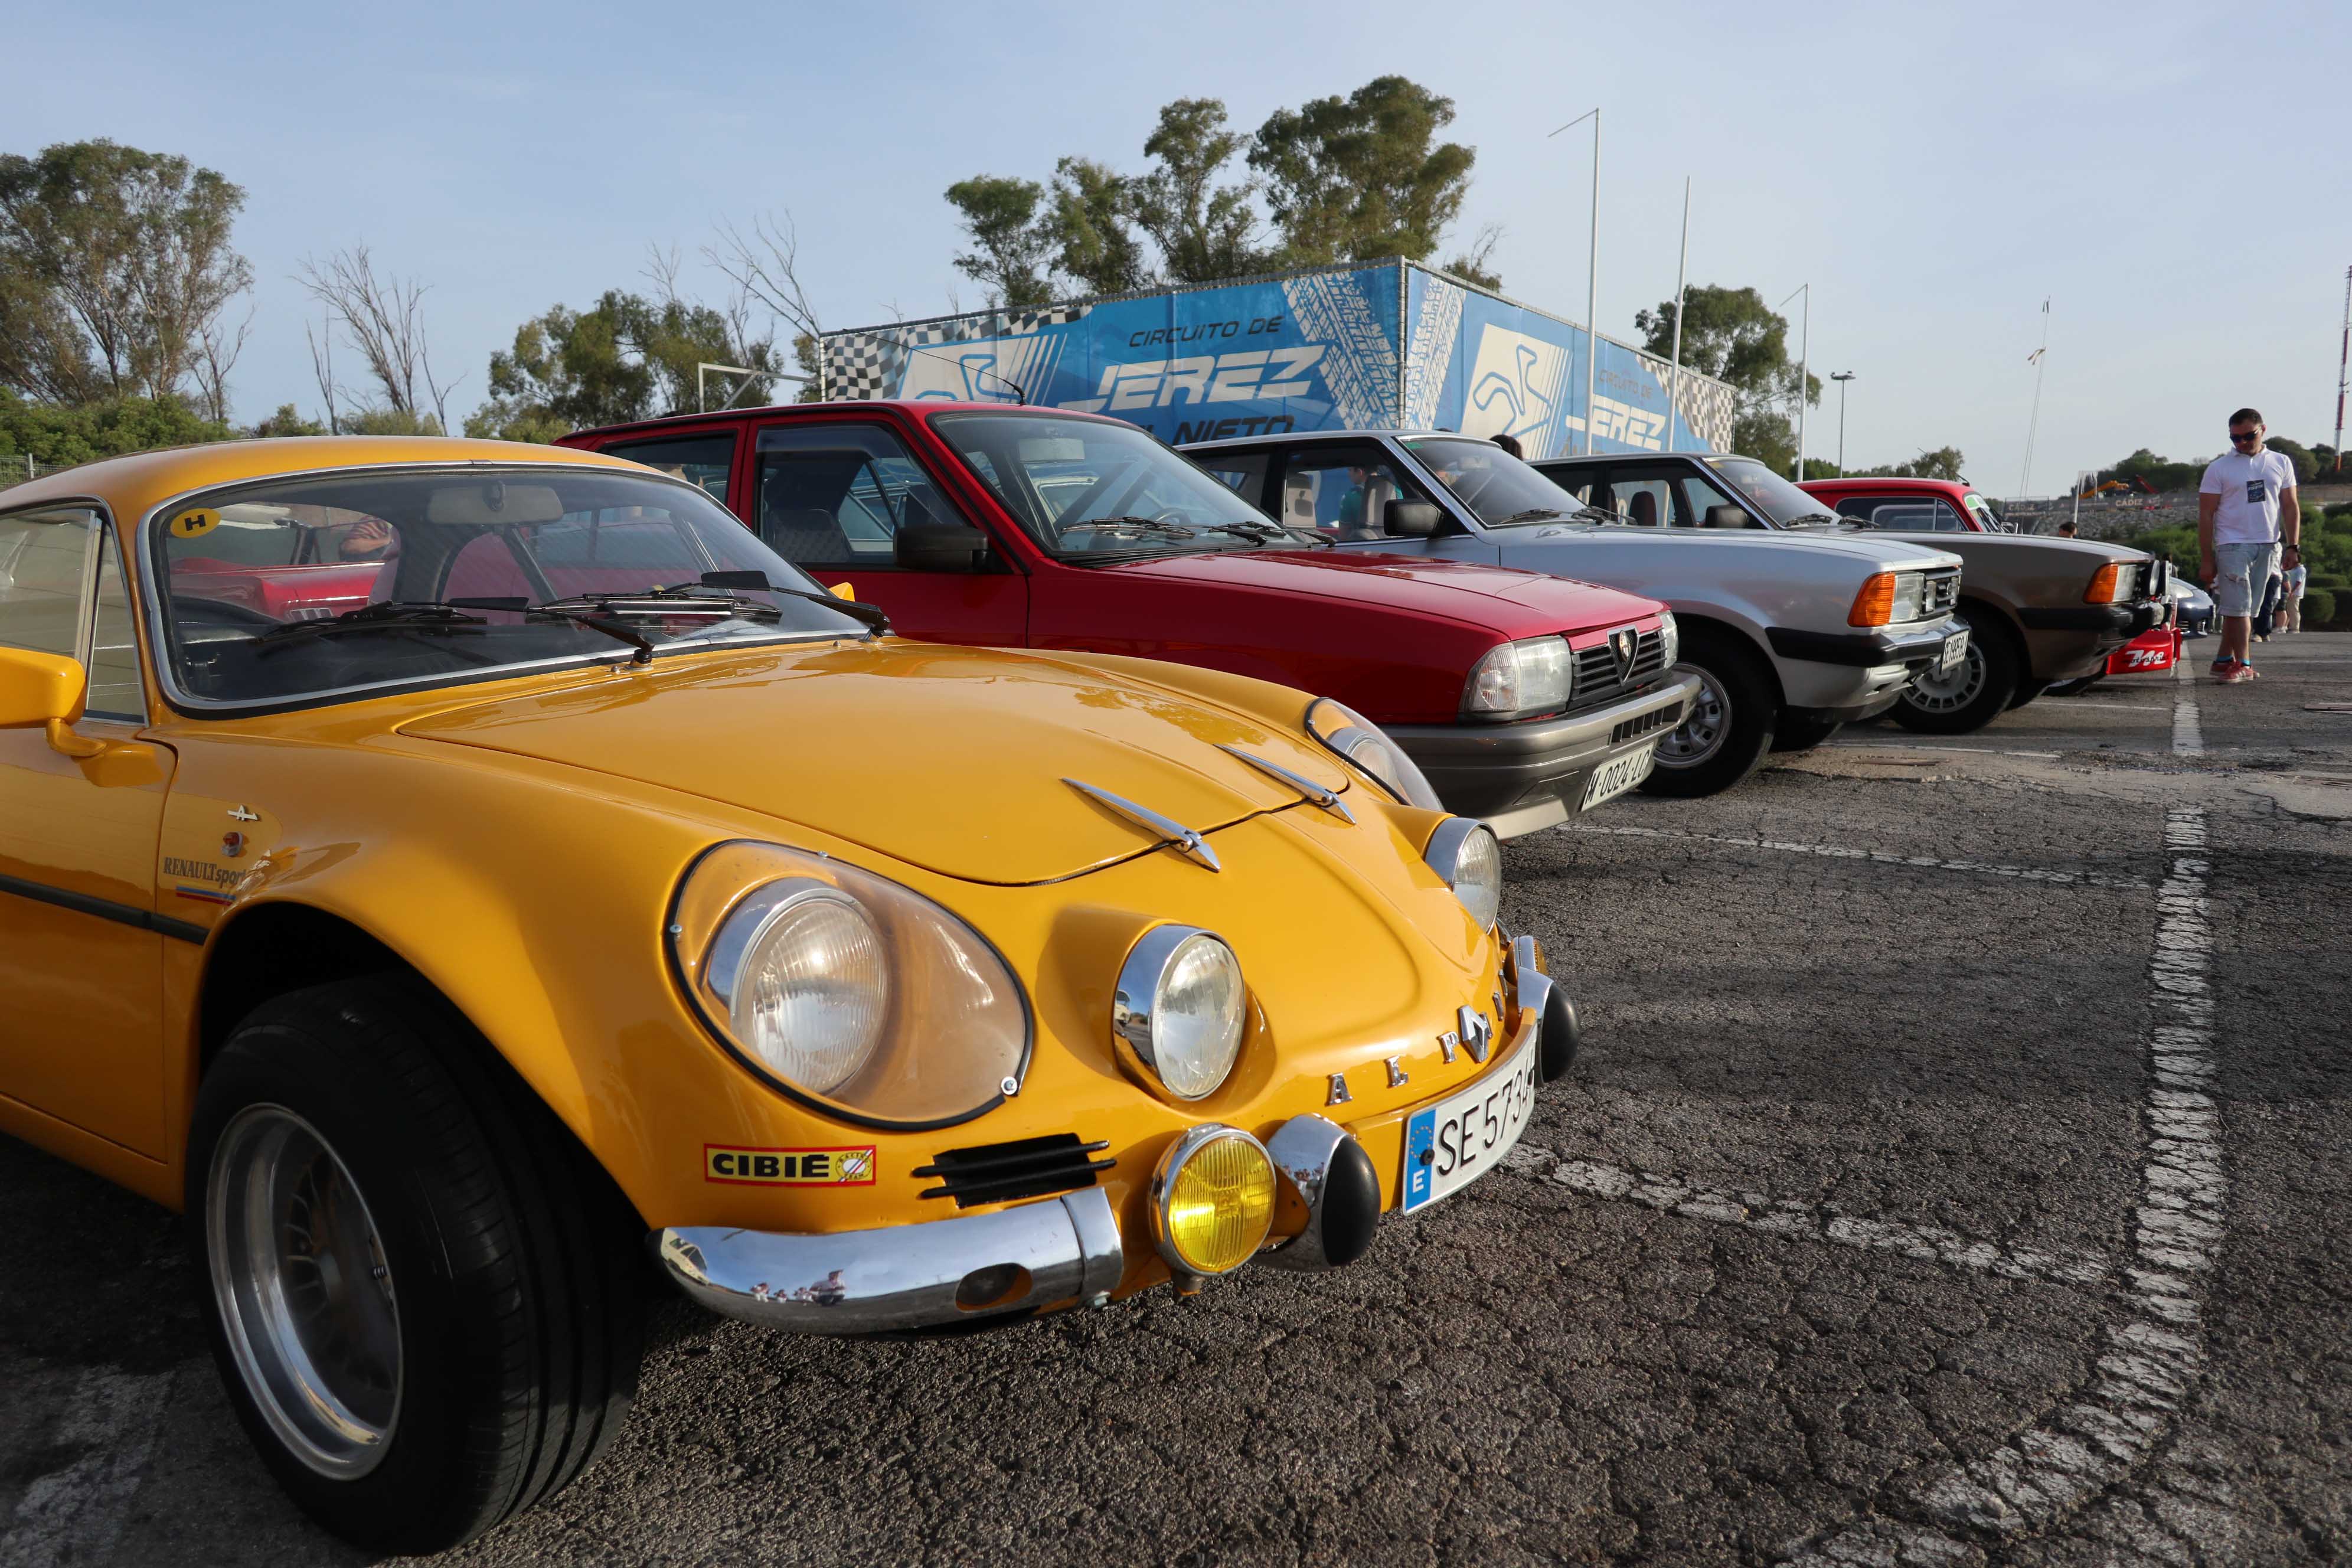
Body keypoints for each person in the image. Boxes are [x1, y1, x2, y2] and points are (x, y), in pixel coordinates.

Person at [2198, 407, 2300, 682]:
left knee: (2246, 609)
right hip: (2232, 543)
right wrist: (2207, 558)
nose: (2242, 443)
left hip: (2268, 543)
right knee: (2239, 607)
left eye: (2248, 436)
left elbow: (2290, 506)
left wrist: (2293, 546)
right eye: (2235, 438)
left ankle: (2222, 660)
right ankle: (2243, 663)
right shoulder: (2219, 468)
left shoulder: (2280, 462)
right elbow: (2206, 514)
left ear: (2262, 430)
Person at [2281, 544, 2307, 633]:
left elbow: (2299, 582)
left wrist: (2292, 591)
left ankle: (2295, 627)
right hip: (2291, 592)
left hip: (2295, 593)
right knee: (2289, 610)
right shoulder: (2293, 569)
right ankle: (2287, 626)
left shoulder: (2301, 570)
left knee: (2294, 610)